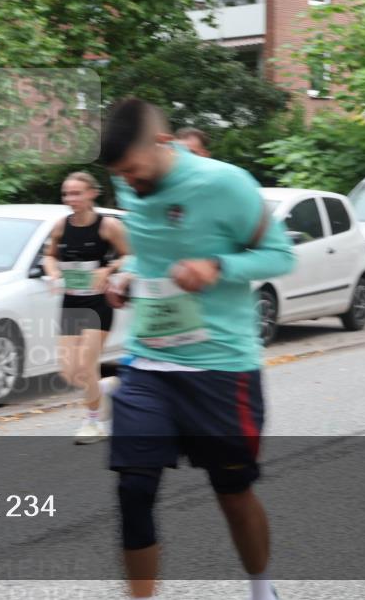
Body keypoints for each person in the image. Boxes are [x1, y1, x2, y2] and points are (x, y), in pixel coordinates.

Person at [100, 98, 295, 599]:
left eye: (134, 171)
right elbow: (149, 254)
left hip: (221, 368)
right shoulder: (127, 180)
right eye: (121, 175)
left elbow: (280, 254)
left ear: (162, 142)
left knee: (232, 492)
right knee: (134, 489)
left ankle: (261, 588)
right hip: (148, 360)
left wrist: (217, 267)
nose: (129, 183)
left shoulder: (225, 183)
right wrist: (125, 276)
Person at [43, 171, 129, 443]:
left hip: (98, 302)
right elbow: (49, 255)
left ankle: (93, 423)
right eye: (67, 193)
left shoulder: (108, 226)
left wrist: (109, 269)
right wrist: (54, 272)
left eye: (77, 193)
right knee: (70, 371)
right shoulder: (60, 226)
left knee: (86, 363)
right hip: (71, 302)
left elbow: (131, 254)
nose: (71, 198)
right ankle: (105, 388)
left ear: (92, 193)